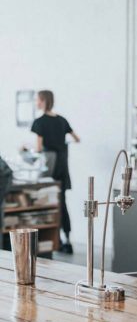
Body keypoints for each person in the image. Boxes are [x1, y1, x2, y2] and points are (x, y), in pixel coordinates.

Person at [31, 90, 80, 254]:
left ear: (43, 100)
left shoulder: (39, 122)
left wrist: (26, 148)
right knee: (62, 202)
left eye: (37, 100)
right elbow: (77, 138)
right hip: (62, 165)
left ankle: (52, 240)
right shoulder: (62, 120)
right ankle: (66, 239)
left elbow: (38, 149)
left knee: (47, 201)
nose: (36, 102)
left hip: (49, 166)